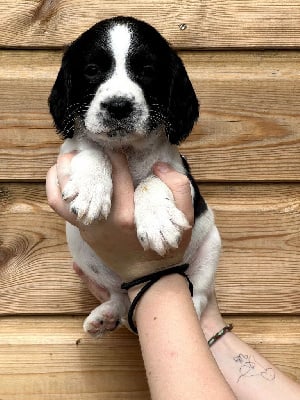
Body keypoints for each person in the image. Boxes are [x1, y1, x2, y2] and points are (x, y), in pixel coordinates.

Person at [46, 151, 300, 400]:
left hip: (180, 267)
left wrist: (149, 278)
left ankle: (186, 299)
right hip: (117, 273)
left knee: (207, 237)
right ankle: (124, 299)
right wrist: (201, 323)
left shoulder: (161, 156)